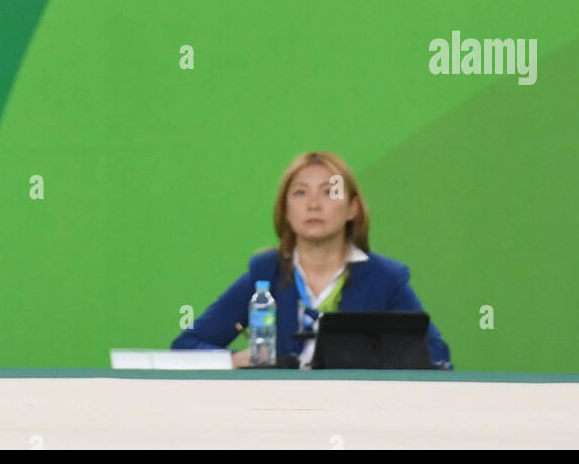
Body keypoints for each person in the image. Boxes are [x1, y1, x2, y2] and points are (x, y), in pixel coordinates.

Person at [171, 150, 452, 368]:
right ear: (285, 211)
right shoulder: (265, 274)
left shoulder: (385, 279)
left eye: (330, 192)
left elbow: (438, 359)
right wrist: (235, 360)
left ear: (352, 207)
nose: (313, 204)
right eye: (300, 193)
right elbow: (186, 346)